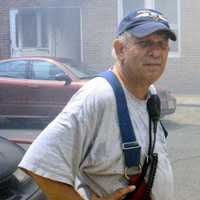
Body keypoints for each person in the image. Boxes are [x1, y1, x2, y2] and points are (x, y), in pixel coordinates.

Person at [19, 8, 176, 200]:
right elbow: (41, 163)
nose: (156, 52)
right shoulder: (99, 95)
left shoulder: (149, 92)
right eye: (145, 43)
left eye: (163, 44)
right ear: (120, 49)